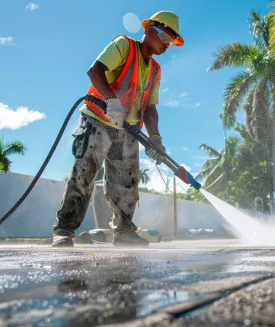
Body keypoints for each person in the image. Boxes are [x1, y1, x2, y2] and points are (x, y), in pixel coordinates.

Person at [52, 11, 184, 248]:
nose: (167, 46)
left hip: (127, 130)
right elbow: (95, 71)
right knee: (84, 175)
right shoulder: (125, 46)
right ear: (150, 30)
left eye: (171, 44)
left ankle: (124, 232)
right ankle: (64, 230)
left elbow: (150, 108)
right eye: (166, 39)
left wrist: (155, 138)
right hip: (97, 120)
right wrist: (112, 101)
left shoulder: (155, 70)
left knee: (126, 184)